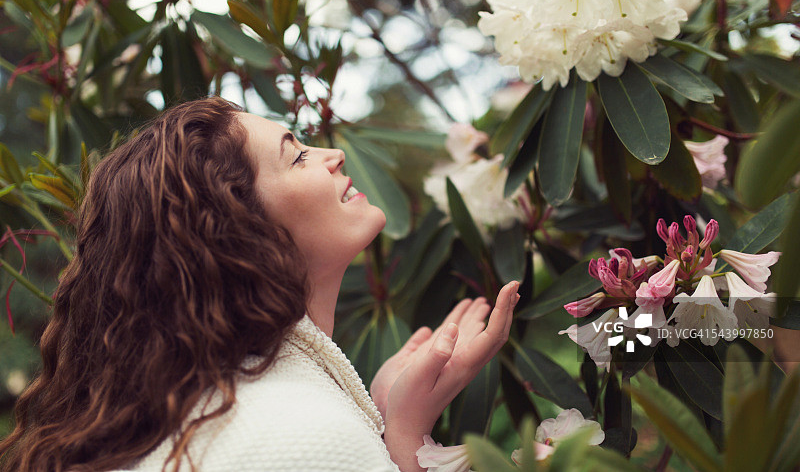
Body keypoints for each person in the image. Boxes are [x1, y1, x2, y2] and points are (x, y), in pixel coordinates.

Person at [0, 97, 519, 471]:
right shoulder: (298, 433)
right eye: (297, 155)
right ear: (238, 229)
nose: (333, 154)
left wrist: (391, 423)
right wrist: (404, 440)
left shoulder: (227, 411)